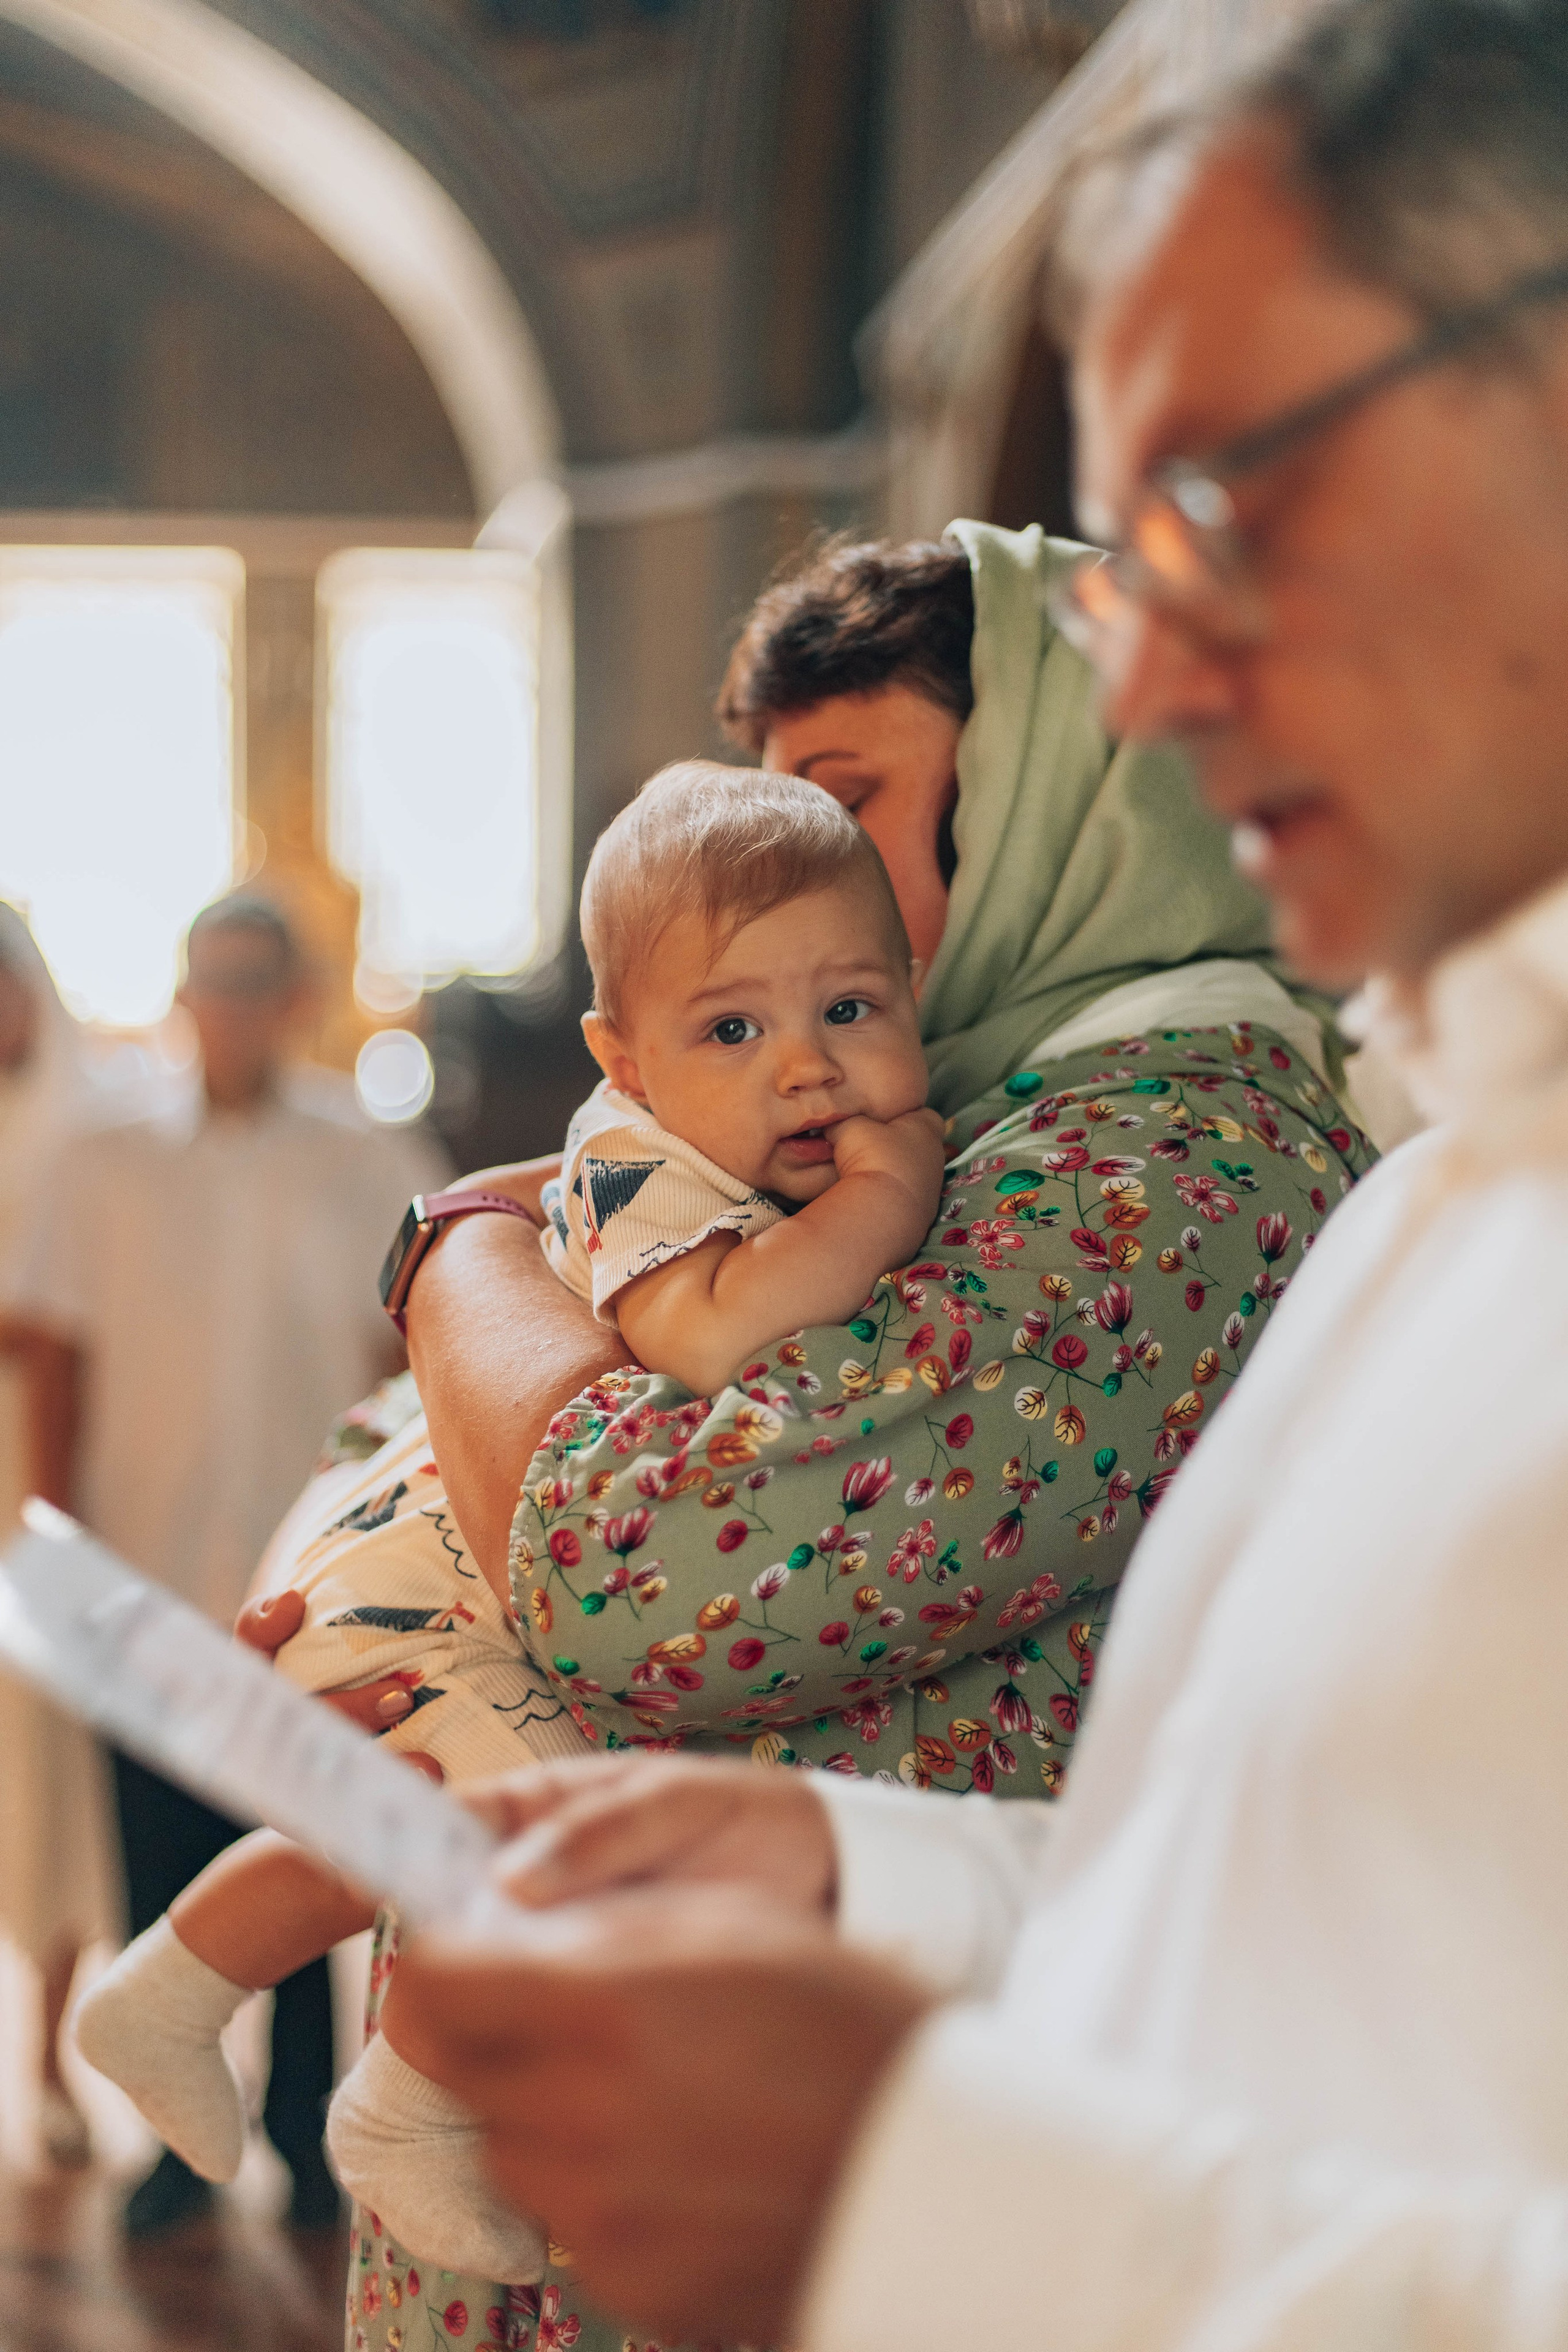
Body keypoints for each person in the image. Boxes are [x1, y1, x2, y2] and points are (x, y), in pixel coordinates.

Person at [376, 3, 1568, 2347]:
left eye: (1231, 504)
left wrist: (933, 2199)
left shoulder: (1194, 1151)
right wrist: (863, 1874)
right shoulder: (1438, 1196)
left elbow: (653, 1562)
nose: (1156, 692)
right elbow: (1305, 1925)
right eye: (1127, 574)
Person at [246, 521, 1376, 2345]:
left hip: (833, 2171)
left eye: (846, 813)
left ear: (1056, 798)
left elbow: (640, 1574)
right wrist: (368, 1610)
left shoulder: (1181, 1154)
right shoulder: (923, 1115)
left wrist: (461, 1244)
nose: (791, 896)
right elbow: (416, 1453)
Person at [72, 763, 940, 2282]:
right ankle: (404, 2107)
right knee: (533, 1822)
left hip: (436, 1553)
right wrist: (886, 1200)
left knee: (417, 1824)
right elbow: (713, 1335)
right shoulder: (634, 1164)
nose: (807, 1068)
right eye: (733, 1030)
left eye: (850, 1010)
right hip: (420, 1564)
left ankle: (169, 1996)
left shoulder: (705, 1149)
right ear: (625, 1059)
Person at [5, 892, 449, 2237]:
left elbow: (413, 1358)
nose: (235, 1004)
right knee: (156, 1855)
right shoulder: (102, 1161)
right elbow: (58, 1359)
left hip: (307, 1568)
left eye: (260, 979)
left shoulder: (369, 1157)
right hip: (141, 1555)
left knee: (306, 1850)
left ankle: (308, 2137)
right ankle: (169, 2154)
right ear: (185, 994)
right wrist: (52, 1546)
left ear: (296, 998)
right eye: (215, 978)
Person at [0, 907, 121, 2171]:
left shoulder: (82, 1130)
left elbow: (65, 1328)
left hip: (25, 1458)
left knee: (46, 1769)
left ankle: (46, 2059)